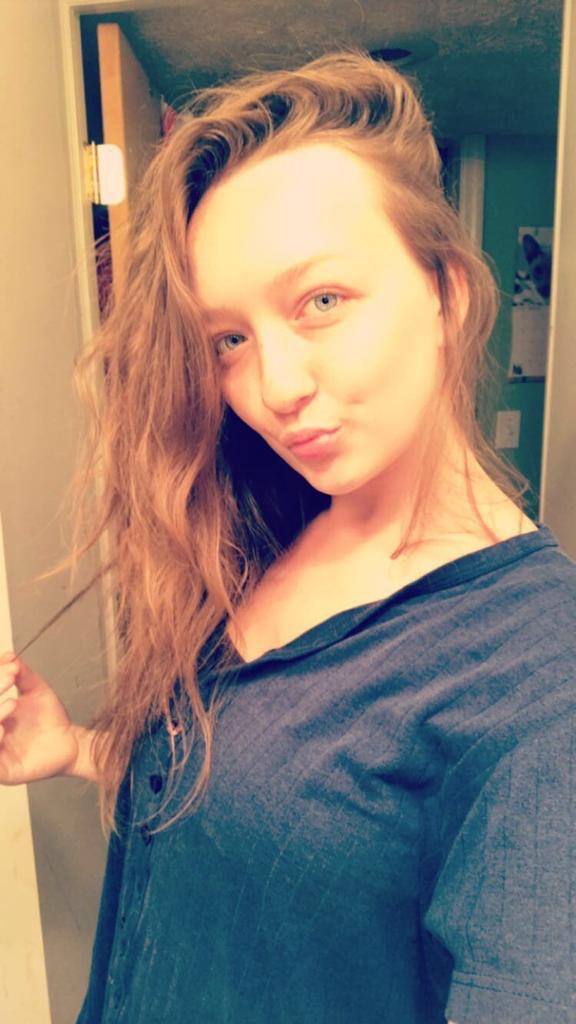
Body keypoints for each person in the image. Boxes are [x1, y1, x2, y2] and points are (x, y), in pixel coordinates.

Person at [0, 47, 575, 1024]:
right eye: (230, 338)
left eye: (322, 302)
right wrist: (78, 750)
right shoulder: (280, 522)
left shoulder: (539, 681)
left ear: (448, 292)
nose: (273, 387)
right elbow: (274, 801)